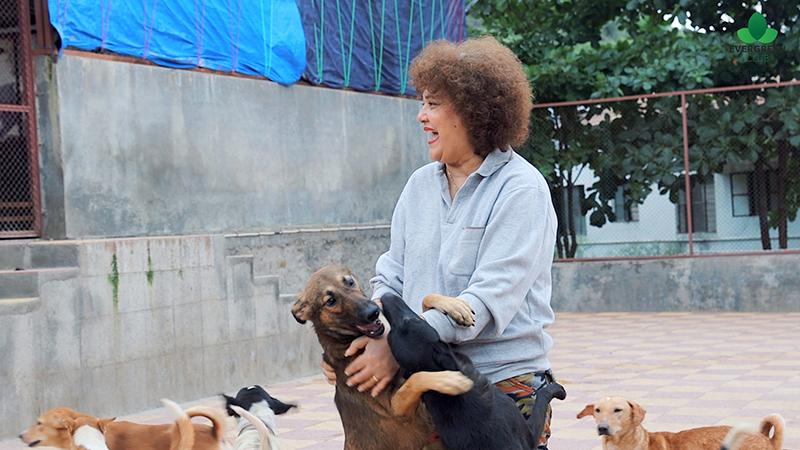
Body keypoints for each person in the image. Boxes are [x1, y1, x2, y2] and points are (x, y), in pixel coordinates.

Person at [322, 36, 558, 449]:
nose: (421, 116)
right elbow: (390, 278)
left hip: (497, 387)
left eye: (433, 104)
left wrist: (396, 348)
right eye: (422, 103)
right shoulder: (419, 185)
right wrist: (366, 343)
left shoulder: (521, 189)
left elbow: (484, 303)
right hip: (424, 379)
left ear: (473, 111)